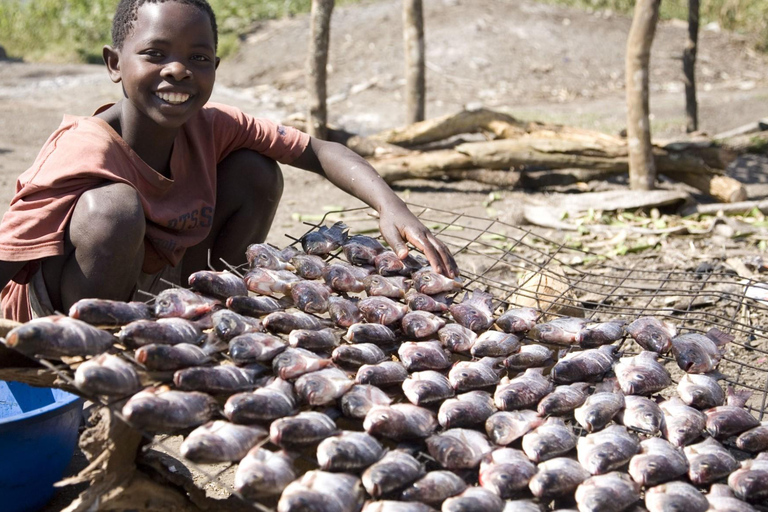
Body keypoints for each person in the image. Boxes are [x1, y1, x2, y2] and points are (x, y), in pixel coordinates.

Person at [0, 0, 458, 323]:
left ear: (215, 68)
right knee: (113, 210)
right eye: (155, 54)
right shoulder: (81, 151)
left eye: (197, 58)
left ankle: (203, 311)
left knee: (256, 170)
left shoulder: (214, 125)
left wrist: (390, 206)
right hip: (60, 308)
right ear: (114, 63)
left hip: (155, 276)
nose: (177, 70)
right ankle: (96, 359)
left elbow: (318, 151)